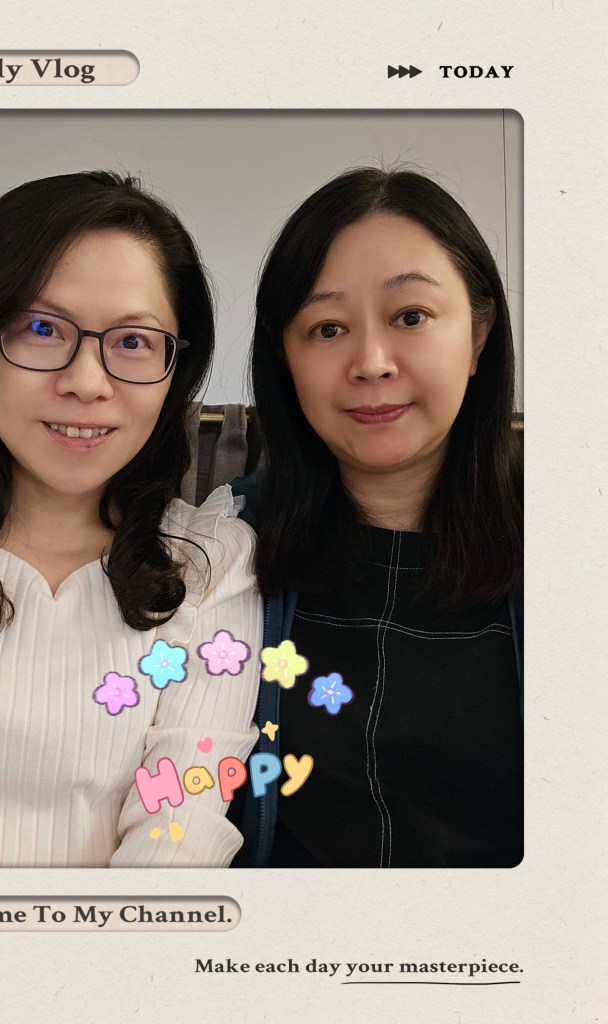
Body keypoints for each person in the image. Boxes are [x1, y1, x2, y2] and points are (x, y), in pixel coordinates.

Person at [0, 171, 262, 868]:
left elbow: (183, 824)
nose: (87, 382)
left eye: (133, 341)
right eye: (42, 329)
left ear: (174, 372)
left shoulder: (210, 563)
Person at [232, 167, 523, 868]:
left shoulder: (575, 542)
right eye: (327, 328)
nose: (370, 362)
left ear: (478, 334)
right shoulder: (219, 548)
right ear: (286, 359)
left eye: (411, 316)